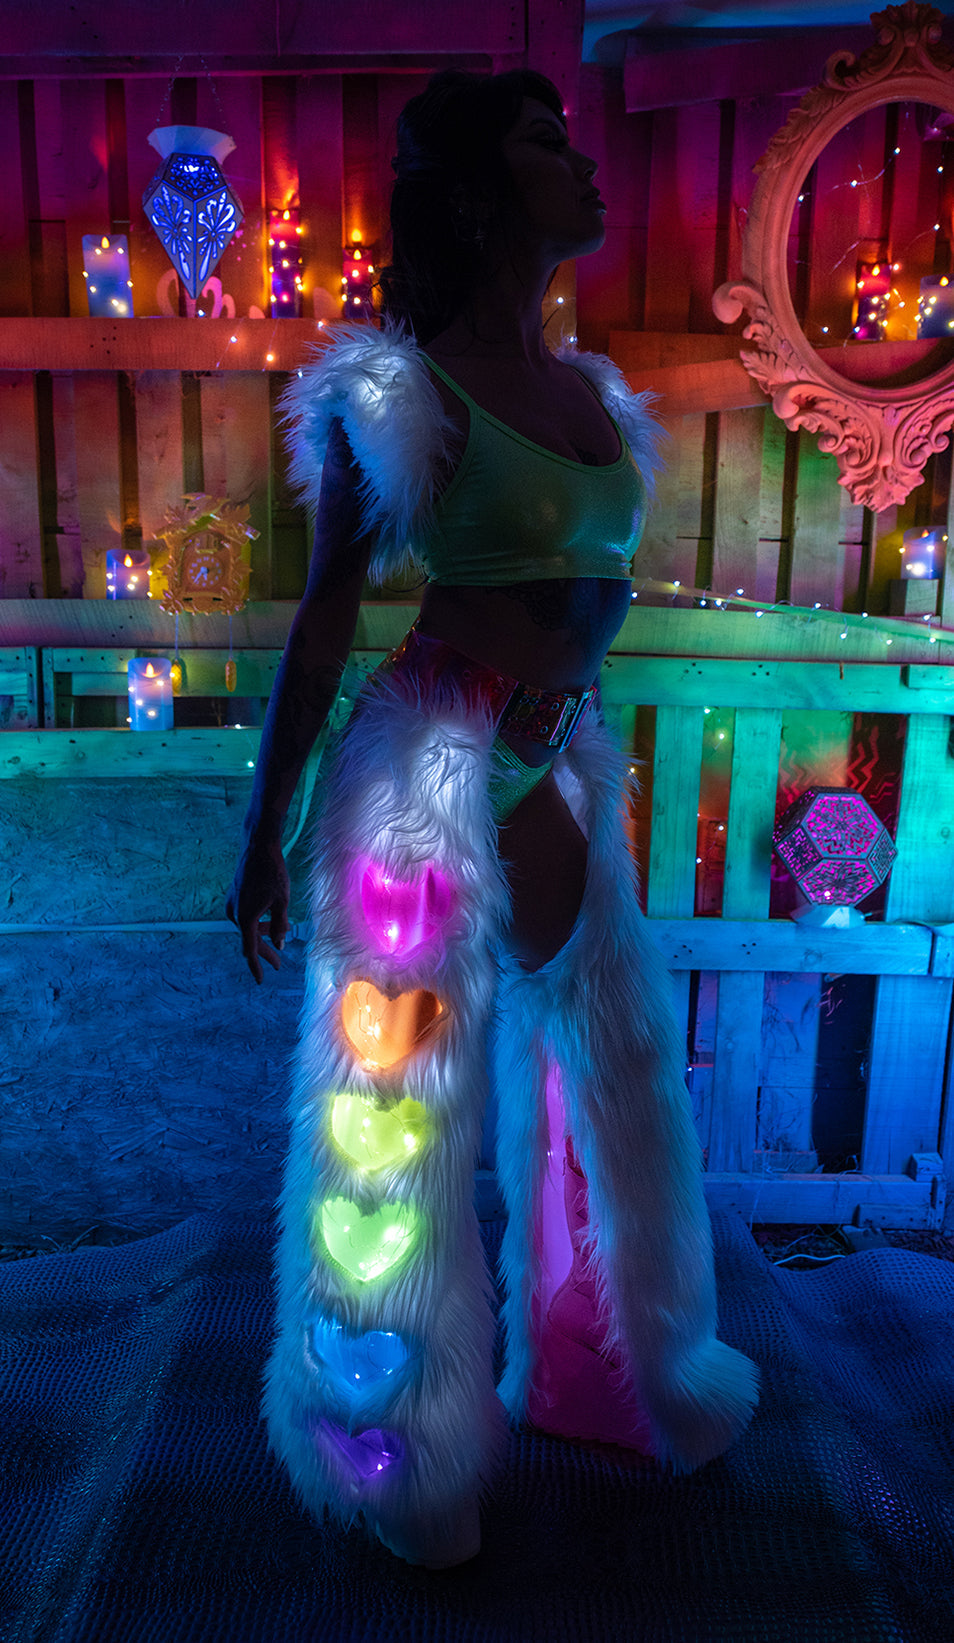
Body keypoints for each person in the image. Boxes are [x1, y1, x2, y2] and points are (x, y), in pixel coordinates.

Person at [227, 68, 758, 1570]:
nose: (581, 167)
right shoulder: (396, 396)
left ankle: (620, 1367)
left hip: (550, 751)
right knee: (390, 1118)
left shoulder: (591, 398)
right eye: (543, 144)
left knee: (615, 1069)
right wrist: (263, 829)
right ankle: (390, 1456)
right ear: (472, 192)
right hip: (423, 770)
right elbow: (326, 617)